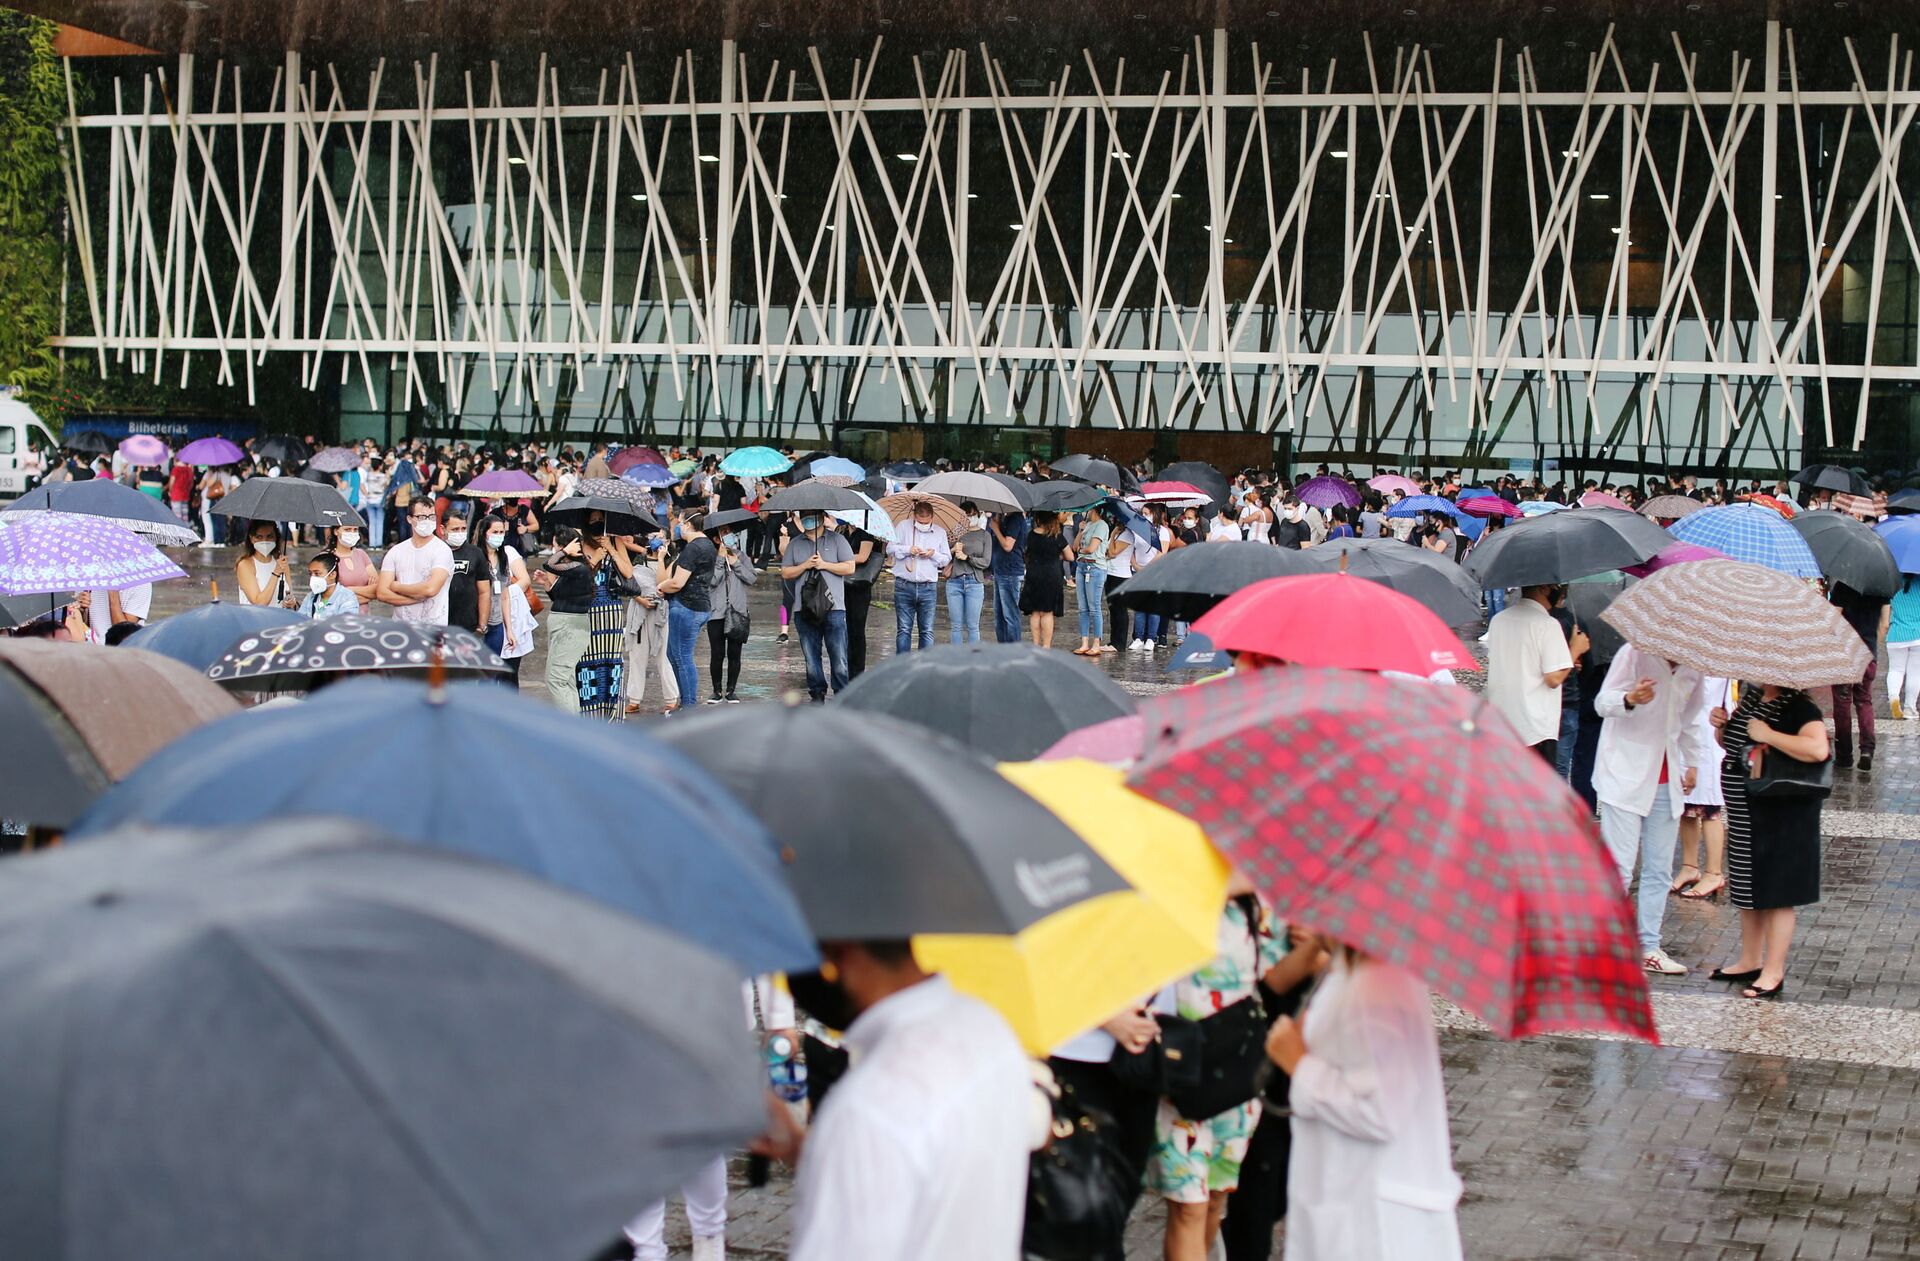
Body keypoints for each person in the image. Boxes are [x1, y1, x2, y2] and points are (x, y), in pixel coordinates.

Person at [768, 941, 1034, 1261]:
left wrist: (835, 1149)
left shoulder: (869, 1103)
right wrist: (807, 1151)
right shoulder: (989, 1024)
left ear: (842, 955)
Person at [1264, 943, 1464, 1261]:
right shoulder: (1353, 973)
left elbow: (1381, 1110)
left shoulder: (1378, 988)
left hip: (1374, 1218)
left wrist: (1300, 1065)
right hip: (1350, 1199)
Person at [1145, 888, 1293, 1261]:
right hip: (1180, 1071)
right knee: (1189, 1206)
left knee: (1213, 1202)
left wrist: (1322, 947)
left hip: (1234, 1075)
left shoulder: (1252, 904)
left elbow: (1275, 978)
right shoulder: (1168, 891)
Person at [1591, 645, 1712, 978]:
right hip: (1624, 774)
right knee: (1619, 866)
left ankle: (1648, 947)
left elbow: (1691, 719)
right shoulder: (1632, 654)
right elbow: (1602, 703)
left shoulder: (1693, 666)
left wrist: (1692, 763)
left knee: (1660, 868)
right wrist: (1629, 698)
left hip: (1667, 777)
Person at [1710, 682, 1829, 1000]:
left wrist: (1769, 735)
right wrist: (1722, 728)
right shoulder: (1753, 699)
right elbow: (1741, 748)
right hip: (1747, 814)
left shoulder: (1799, 707)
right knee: (1749, 888)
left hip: (1781, 815)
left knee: (1777, 892)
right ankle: (1750, 960)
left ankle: (1773, 971)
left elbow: (1818, 749)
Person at [1484, 584, 1588, 765]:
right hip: (1535, 727)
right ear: (1545, 589)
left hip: (1502, 721)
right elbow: (1553, 678)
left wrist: (1566, 662)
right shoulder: (1547, 624)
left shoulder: (1499, 620)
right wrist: (1575, 650)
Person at [780, 512, 857, 702]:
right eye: (804, 516)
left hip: (834, 607)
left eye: (812, 516)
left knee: (838, 655)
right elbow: (786, 572)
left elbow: (849, 567)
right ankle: (816, 693)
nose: (807, 519)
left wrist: (824, 564)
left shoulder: (838, 540)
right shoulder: (795, 544)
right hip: (803, 608)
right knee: (810, 655)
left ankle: (841, 693)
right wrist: (806, 565)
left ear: (822, 517)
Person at [1673, 677, 1732, 903]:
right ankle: (1689, 866)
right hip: (1687, 731)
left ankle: (1714, 872)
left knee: (1709, 810)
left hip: (1709, 735)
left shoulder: (1723, 662)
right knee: (1685, 806)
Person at [658, 513, 718, 711]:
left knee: (682, 656)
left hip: (687, 607)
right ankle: (685, 700)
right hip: (696, 606)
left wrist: (661, 586)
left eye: (681, 522)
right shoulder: (707, 544)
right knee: (673, 654)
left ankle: (689, 705)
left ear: (689, 524)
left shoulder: (694, 548)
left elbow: (677, 582)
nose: (679, 526)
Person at [1826, 581, 1886, 771]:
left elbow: (1833, 618)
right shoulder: (1880, 589)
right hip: (1868, 654)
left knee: (1842, 704)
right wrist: (1872, 648)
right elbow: (1884, 625)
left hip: (1846, 654)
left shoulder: (1843, 586)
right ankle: (1867, 750)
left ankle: (1844, 756)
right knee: (1864, 701)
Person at [622, 537, 679, 715]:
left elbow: (662, 585)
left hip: (659, 614)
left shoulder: (672, 561)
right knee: (637, 656)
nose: (657, 539)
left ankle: (671, 699)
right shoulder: (639, 560)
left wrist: (661, 558)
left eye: (661, 536)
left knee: (662, 657)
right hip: (639, 611)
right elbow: (629, 584)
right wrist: (640, 599)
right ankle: (634, 699)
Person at [476, 512, 535, 683]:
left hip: (498, 622)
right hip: (479, 624)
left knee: (496, 673)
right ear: (483, 533)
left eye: (502, 532)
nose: (499, 536)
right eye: (495, 532)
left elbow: (505, 596)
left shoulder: (505, 556)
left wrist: (509, 629)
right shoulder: (476, 555)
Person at [704, 521, 758, 704]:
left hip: (737, 612)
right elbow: (711, 581)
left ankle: (731, 690)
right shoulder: (710, 558)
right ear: (715, 538)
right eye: (723, 532)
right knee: (717, 654)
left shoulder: (741, 556)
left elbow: (751, 578)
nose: (728, 535)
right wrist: (720, 560)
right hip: (716, 613)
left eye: (730, 532)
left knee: (735, 654)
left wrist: (736, 564)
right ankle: (716, 691)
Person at [377, 501, 455, 626]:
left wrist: (397, 587)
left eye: (431, 516)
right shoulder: (395, 551)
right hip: (400, 629)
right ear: (409, 519)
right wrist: (415, 599)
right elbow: (382, 593)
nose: (427, 521)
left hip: (432, 630)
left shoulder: (442, 550)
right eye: (422, 517)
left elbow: (430, 589)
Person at [888, 500, 951, 653]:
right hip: (904, 585)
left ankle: (924, 668)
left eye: (926, 521)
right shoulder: (903, 526)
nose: (922, 523)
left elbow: (946, 558)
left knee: (927, 630)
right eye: (919, 521)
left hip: (928, 587)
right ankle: (903, 667)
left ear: (932, 517)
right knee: (903, 629)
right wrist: (908, 549)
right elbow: (890, 549)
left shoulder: (940, 532)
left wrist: (933, 554)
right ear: (914, 516)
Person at [1021, 511, 1072, 649]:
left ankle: (1036, 645)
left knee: (1035, 611)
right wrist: (1058, 555)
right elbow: (1070, 557)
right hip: (1051, 575)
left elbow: (1027, 553)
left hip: (1034, 574)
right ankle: (1046, 646)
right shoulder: (1057, 536)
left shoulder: (1031, 535)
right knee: (1048, 611)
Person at [841, 523, 884, 677]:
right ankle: (843, 665)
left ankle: (857, 670)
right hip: (841, 584)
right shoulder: (841, 531)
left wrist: (840, 558)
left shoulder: (866, 533)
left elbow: (862, 557)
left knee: (857, 630)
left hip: (860, 586)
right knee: (841, 628)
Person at [945, 506, 990, 645]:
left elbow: (986, 562)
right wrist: (952, 549)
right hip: (954, 582)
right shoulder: (956, 533)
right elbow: (941, 556)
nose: (970, 517)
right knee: (956, 626)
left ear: (978, 514)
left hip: (974, 582)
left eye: (973, 514)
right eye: (966, 515)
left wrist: (967, 557)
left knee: (973, 626)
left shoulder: (985, 535)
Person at [1073, 505, 1114, 656]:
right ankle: (1084, 642)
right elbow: (1075, 546)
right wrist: (1080, 531)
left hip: (1095, 568)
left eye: (1089, 510)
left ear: (1095, 510)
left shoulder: (1102, 525)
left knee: (1094, 606)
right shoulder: (1087, 525)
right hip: (1081, 566)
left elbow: (1091, 548)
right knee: (1082, 607)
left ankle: (1096, 642)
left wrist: (1081, 551)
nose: (1086, 513)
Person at [440, 511, 490, 637]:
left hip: (469, 627)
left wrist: (482, 625)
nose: (460, 533)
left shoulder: (476, 553)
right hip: (439, 625)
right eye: (455, 529)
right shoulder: (434, 552)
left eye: (463, 529)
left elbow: (484, 591)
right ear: (442, 529)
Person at [989, 510, 1031, 643]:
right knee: (999, 615)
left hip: (1010, 572)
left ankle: (1013, 649)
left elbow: (1008, 545)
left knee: (1010, 615)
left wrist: (995, 528)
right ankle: (1003, 647)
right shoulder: (1005, 518)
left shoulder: (1015, 519)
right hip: (1000, 571)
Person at [323, 524, 378, 612]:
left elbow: (377, 590)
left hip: (363, 618)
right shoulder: (325, 558)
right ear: (336, 531)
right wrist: (367, 594)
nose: (352, 533)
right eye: (347, 530)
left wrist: (348, 590)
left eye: (355, 530)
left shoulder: (361, 555)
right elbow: (328, 596)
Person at [235, 521, 291, 607]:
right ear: (251, 538)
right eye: (259, 537)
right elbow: (259, 603)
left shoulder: (281, 562)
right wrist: (276, 573)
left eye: (269, 536)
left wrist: (291, 602)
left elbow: (289, 595)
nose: (264, 541)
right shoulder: (245, 565)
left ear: (275, 537)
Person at [1887, 575, 1920, 720]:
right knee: (1915, 673)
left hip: (1896, 634)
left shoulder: (1892, 581)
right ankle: (1909, 708)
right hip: (1917, 634)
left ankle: (1894, 697)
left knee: (1895, 670)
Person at [296, 551, 360, 619]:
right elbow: (300, 620)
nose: (312, 577)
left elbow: (344, 626)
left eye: (317, 573)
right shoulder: (310, 597)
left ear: (332, 575)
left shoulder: (346, 597)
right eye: (310, 574)